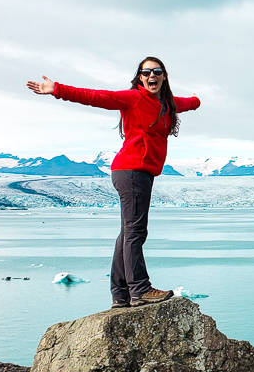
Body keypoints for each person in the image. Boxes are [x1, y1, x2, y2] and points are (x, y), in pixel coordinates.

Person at [26, 57, 201, 309]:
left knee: (128, 231)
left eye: (157, 71)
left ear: (164, 76)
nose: (151, 75)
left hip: (140, 172)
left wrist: (197, 101)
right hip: (131, 170)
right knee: (135, 231)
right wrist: (58, 90)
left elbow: (186, 103)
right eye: (146, 72)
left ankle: (121, 295)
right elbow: (97, 97)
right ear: (139, 77)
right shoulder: (132, 98)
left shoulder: (166, 104)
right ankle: (140, 289)